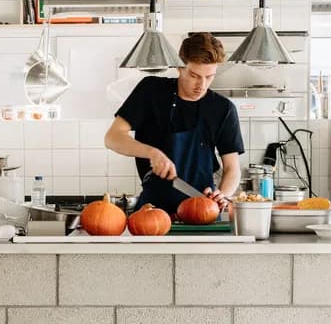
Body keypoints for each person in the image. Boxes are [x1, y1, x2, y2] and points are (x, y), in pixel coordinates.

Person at [104, 32, 244, 215]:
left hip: (202, 213)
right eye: (194, 75)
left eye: (209, 77)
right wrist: (151, 153)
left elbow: (233, 167)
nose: (202, 85)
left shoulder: (223, 109)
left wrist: (222, 195)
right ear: (179, 67)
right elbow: (112, 137)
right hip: (152, 212)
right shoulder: (151, 91)